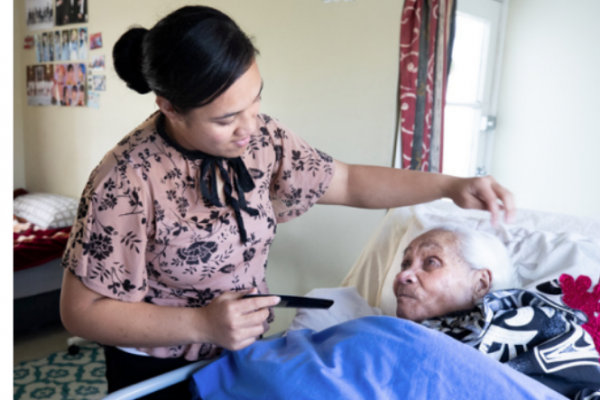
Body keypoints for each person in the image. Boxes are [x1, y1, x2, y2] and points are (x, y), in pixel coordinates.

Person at [59, 6, 515, 399]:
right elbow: (81, 312)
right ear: (170, 107)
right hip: (157, 368)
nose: (248, 128)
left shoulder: (263, 139)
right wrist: (202, 324)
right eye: (226, 118)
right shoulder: (126, 181)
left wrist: (449, 185)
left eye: (255, 103)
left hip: (240, 352)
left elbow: (350, 182)